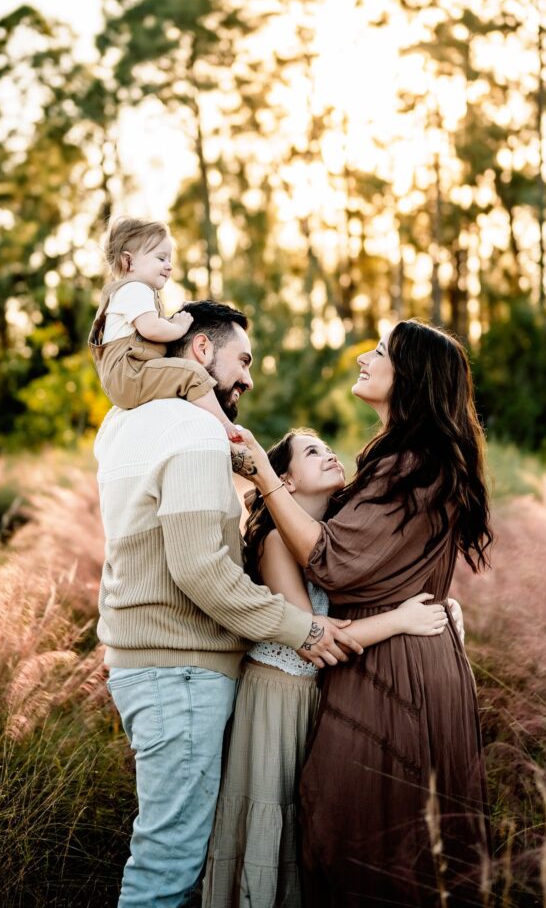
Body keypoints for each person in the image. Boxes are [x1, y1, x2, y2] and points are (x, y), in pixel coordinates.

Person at [95, 300, 363, 908]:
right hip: (180, 672)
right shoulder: (189, 428)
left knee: (169, 849)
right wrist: (304, 630)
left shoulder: (120, 422)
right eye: (241, 361)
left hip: (149, 667)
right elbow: (201, 569)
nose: (246, 377)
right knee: (168, 864)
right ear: (198, 350)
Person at [236, 320, 493, 907]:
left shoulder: (413, 462)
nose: (363, 357)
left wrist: (261, 471)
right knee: (378, 834)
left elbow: (331, 560)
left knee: (369, 838)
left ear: (411, 376)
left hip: (395, 665)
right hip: (403, 648)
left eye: (379, 351)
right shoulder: (407, 459)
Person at [203, 428, 465, 908]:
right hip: (278, 700)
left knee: (307, 820)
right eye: (311, 452)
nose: (328, 454)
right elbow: (314, 642)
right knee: (272, 818)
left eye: (326, 447)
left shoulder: (337, 538)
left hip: (319, 701)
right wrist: (401, 620)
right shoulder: (276, 541)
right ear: (285, 480)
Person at [88, 216, 241, 438]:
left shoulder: (129, 294)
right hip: (130, 374)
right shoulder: (134, 289)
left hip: (126, 378)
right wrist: (178, 327)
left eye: (170, 259)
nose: (169, 266)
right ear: (128, 262)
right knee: (192, 374)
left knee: (175, 375)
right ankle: (225, 427)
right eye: (161, 258)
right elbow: (151, 329)